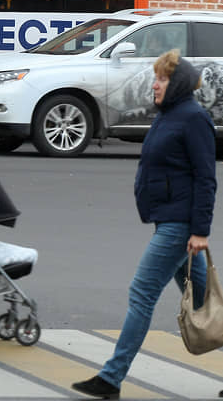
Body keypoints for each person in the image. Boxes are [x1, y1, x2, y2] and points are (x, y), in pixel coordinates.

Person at [72, 49, 215, 399]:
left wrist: (199, 231)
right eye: (156, 78)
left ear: (177, 83)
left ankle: (111, 378)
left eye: (162, 78)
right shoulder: (168, 115)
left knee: (142, 294)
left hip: (179, 225)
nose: (155, 84)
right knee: (206, 303)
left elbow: (205, 178)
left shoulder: (193, 118)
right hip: (168, 218)